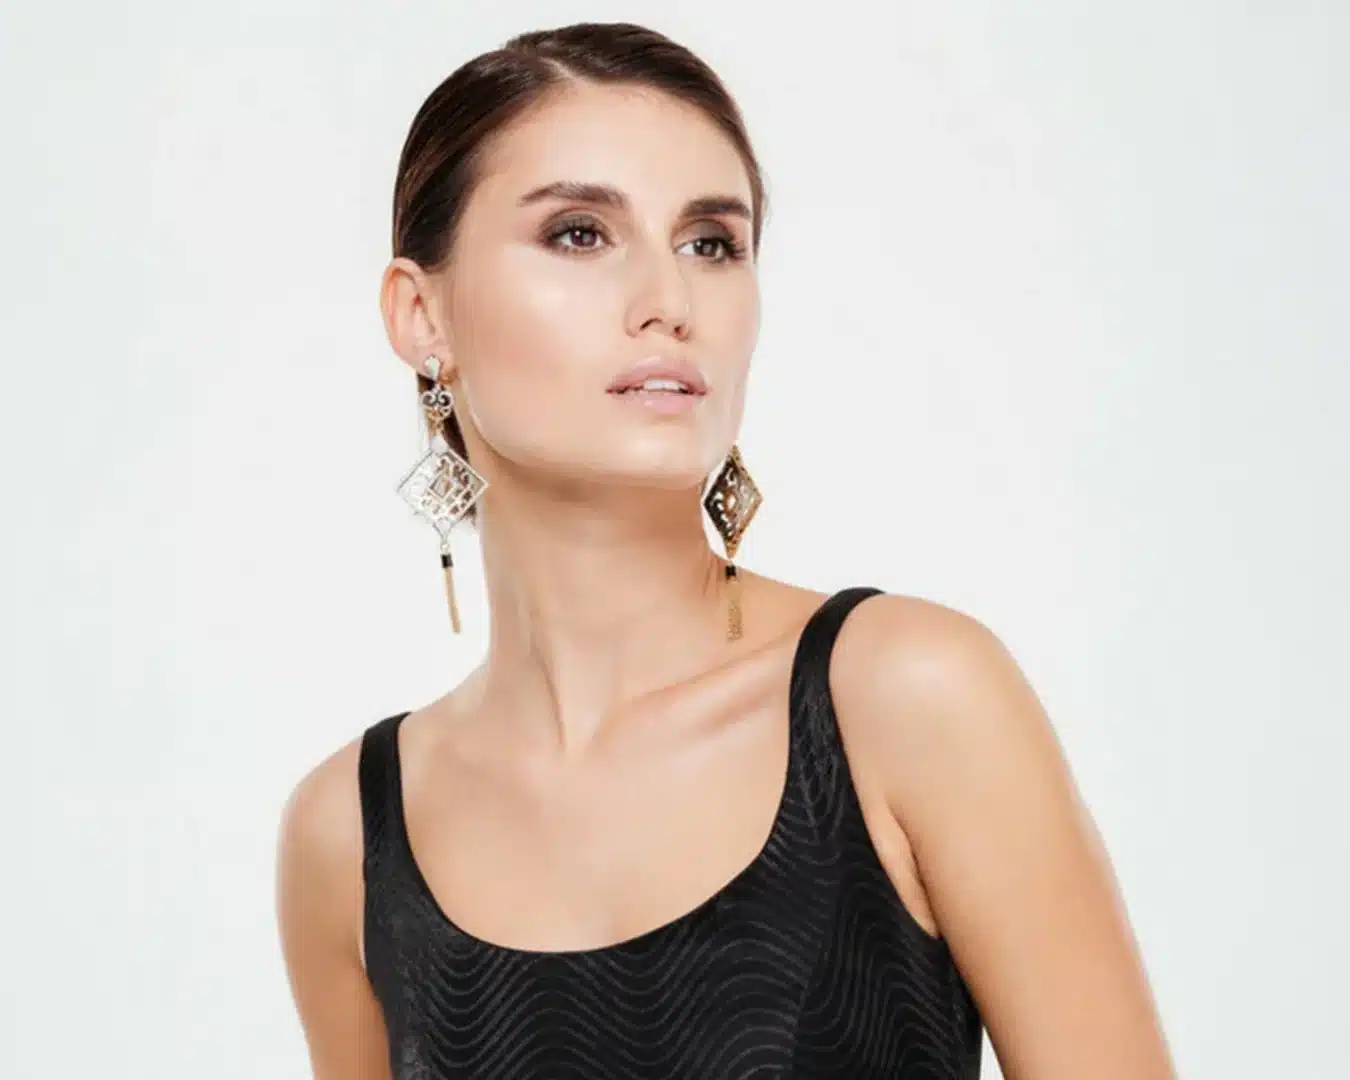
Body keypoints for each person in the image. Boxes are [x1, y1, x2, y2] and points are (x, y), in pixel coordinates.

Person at [275, 21, 1177, 1080]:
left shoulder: (905, 699)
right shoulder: (347, 838)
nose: (669, 303)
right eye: (579, 233)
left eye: (711, 243)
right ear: (421, 315)